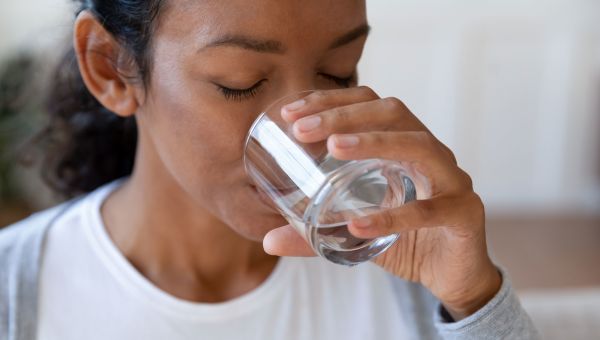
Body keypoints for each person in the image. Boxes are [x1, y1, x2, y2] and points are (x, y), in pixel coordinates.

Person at [0, 1, 540, 339]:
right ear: (110, 67)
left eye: (337, 72)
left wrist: (474, 301)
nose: (307, 132)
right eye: (241, 81)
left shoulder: (405, 277)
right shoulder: (15, 295)